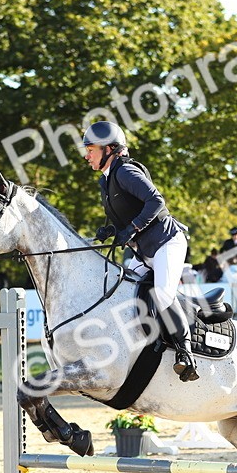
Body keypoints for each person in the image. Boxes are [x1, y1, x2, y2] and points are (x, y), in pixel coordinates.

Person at [84, 120, 199, 382]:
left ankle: (186, 354)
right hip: (144, 253)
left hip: (166, 242)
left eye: (91, 149)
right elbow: (127, 211)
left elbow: (156, 201)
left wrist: (132, 228)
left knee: (161, 294)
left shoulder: (125, 172)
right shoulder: (107, 180)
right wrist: (113, 231)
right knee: (121, 288)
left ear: (110, 149)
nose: (87, 155)